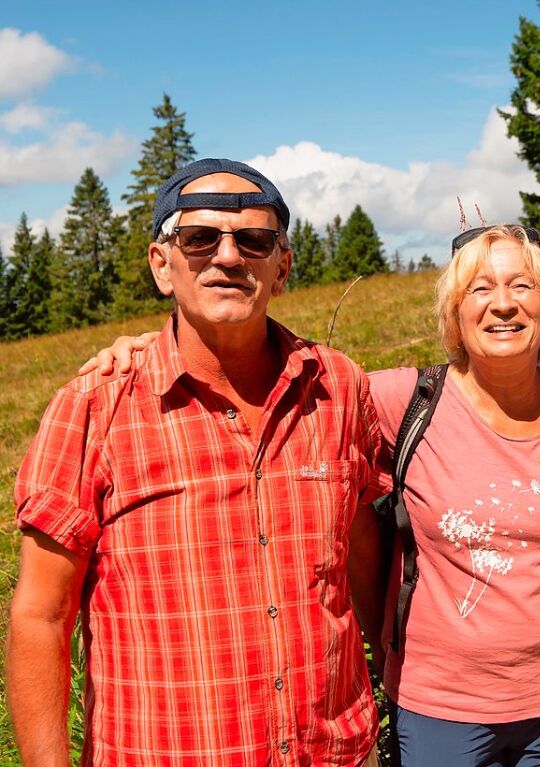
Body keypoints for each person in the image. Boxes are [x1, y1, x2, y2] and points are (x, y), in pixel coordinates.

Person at [80, 224, 540, 767]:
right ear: (454, 313)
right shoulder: (402, 401)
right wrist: (163, 343)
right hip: (440, 706)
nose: (503, 303)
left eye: (522, 286)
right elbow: (288, 373)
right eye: (480, 288)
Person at [7, 159, 385, 766]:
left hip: (338, 752)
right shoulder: (94, 407)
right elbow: (40, 617)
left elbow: (364, 551)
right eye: (200, 238)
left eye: (254, 241)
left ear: (282, 267)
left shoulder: (339, 387)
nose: (228, 257)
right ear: (163, 265)